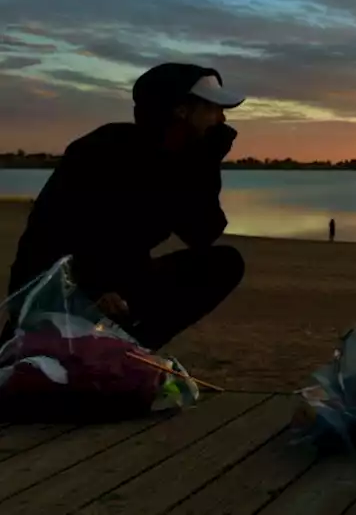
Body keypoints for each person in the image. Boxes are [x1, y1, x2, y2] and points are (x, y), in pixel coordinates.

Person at [3, 63, 247, 351]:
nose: (221, 118)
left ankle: (130, 349)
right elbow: (67, 229)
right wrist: (97, 286)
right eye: (213, 108)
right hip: (59, 282)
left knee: (224, 264)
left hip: (119, 277)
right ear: (181, 110)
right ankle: (90, 347)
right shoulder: (108, 147)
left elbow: (202, 232)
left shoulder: (181, 162)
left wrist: (205, 161)